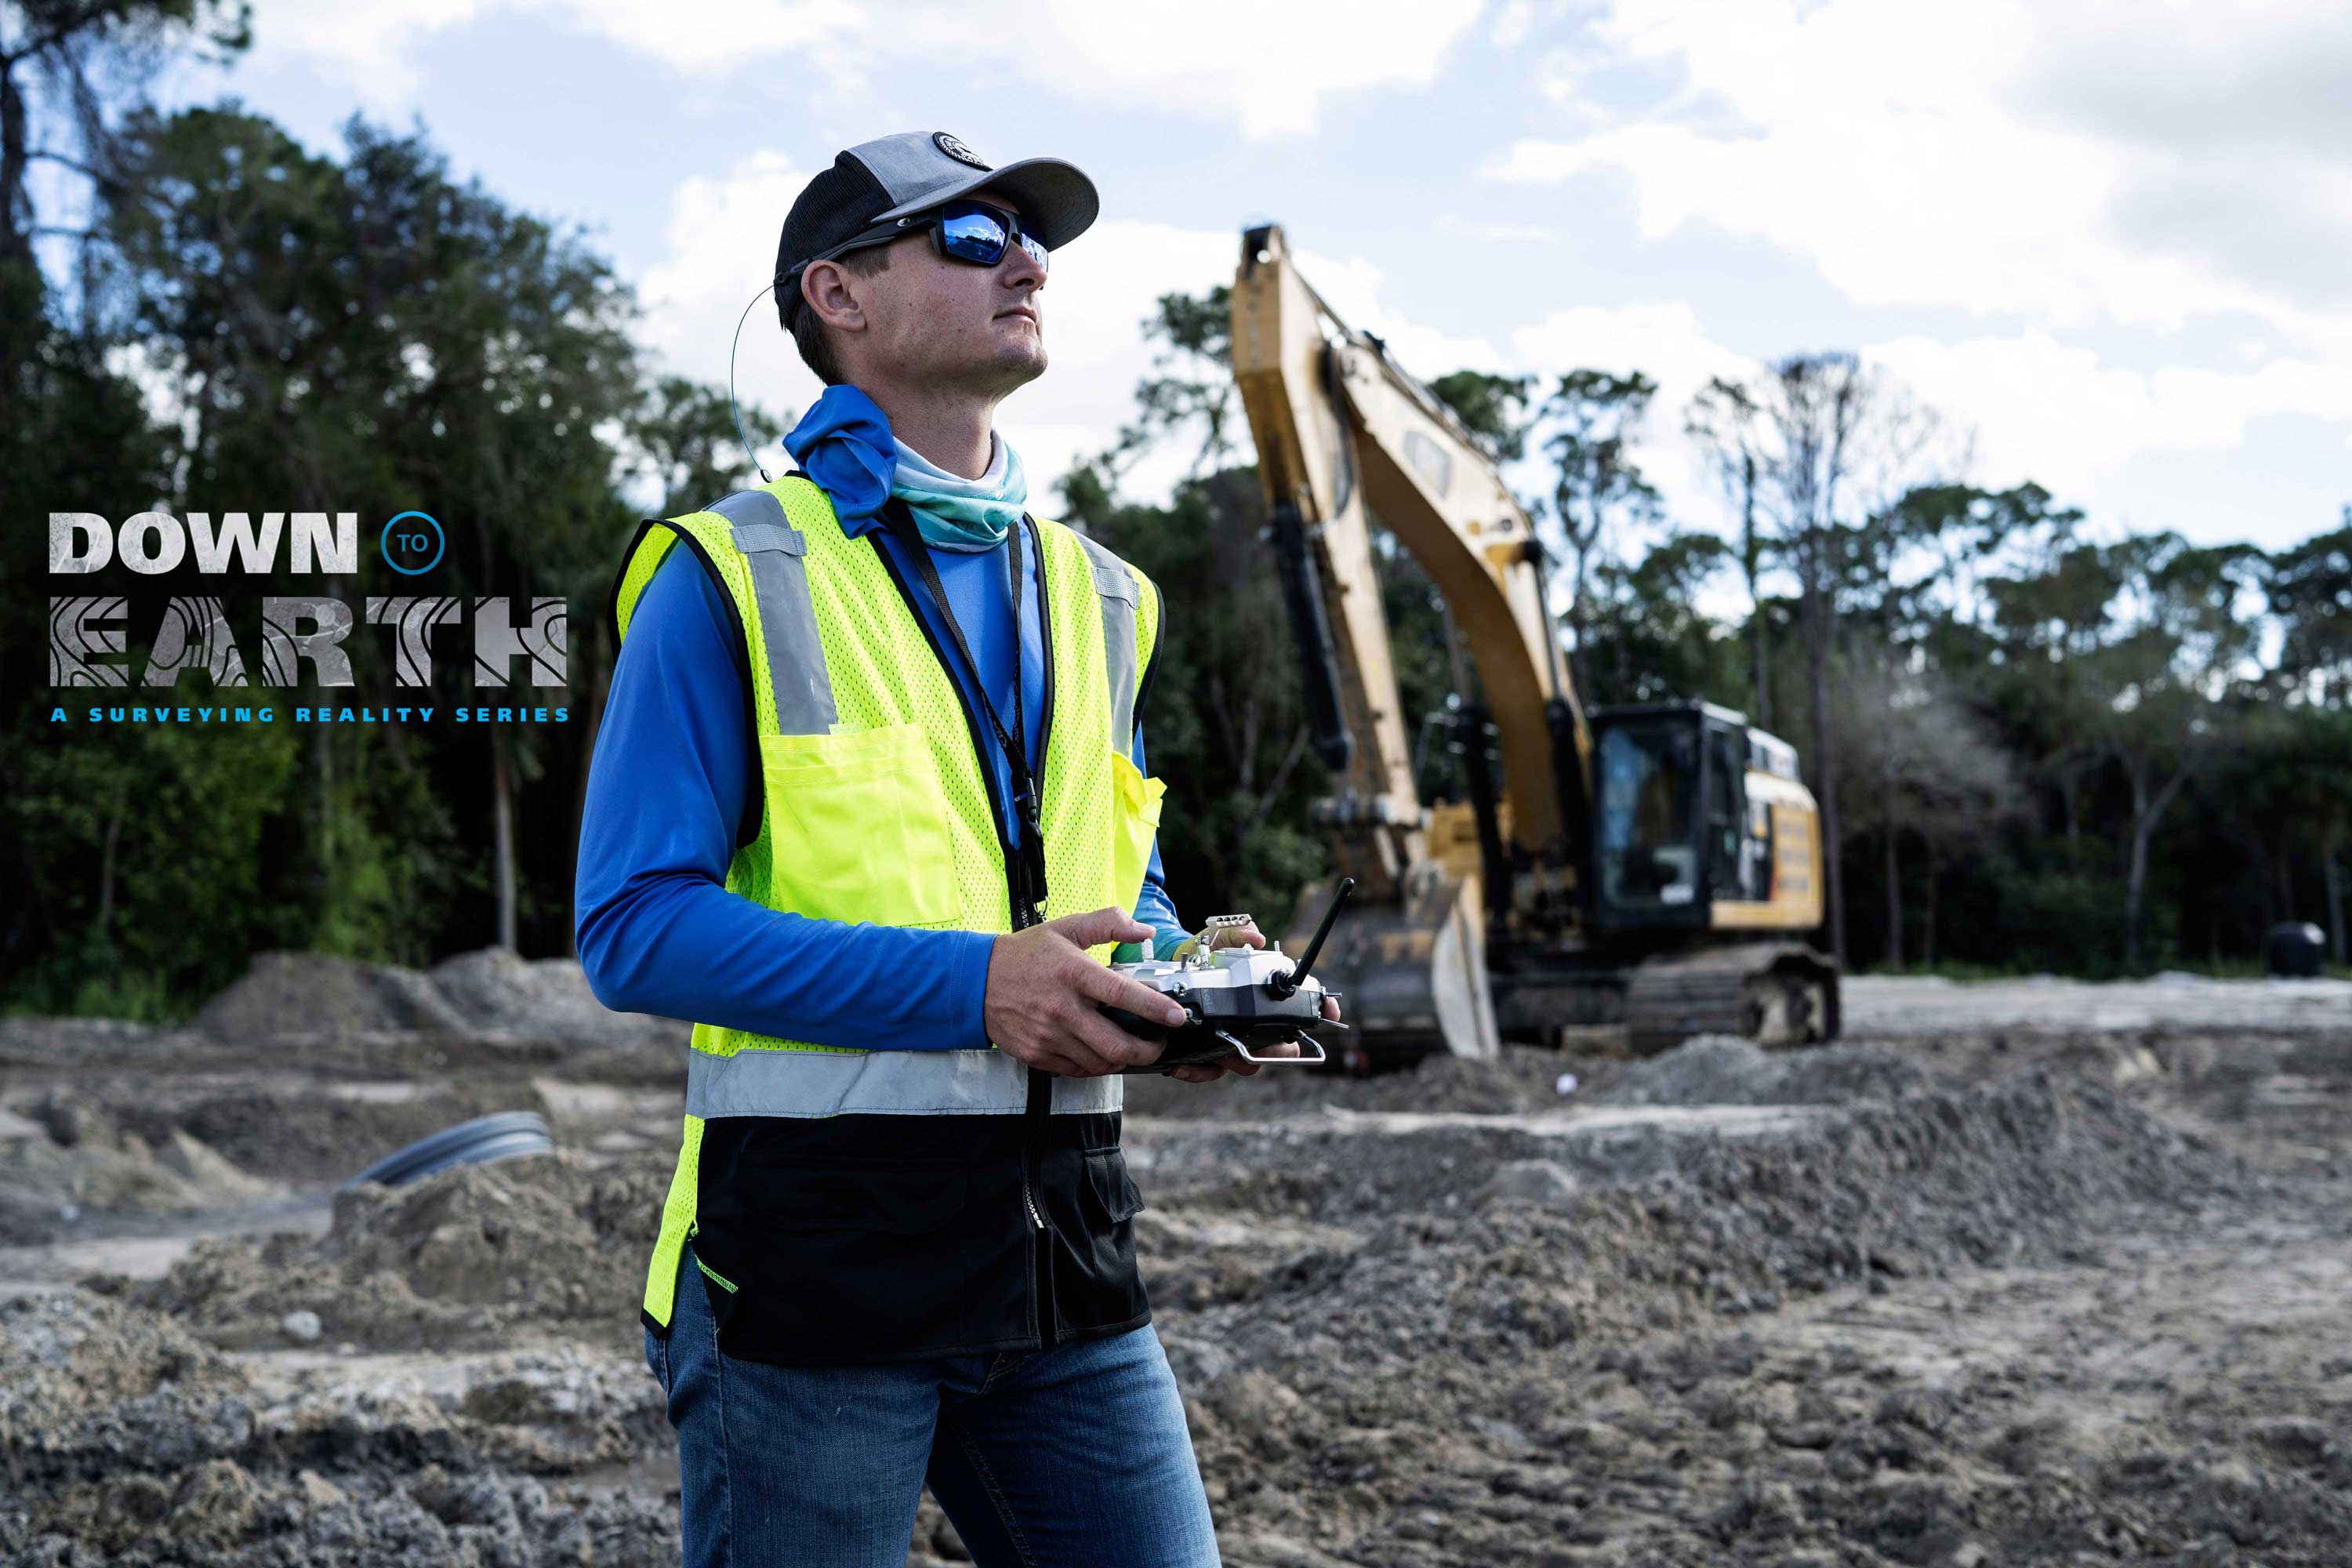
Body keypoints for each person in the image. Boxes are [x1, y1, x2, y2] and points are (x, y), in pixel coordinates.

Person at [573, 130, 1338, 1568]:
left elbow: (1097, 883)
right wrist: (978, 988)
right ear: (840, 297)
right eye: (971, 239)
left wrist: (1181, 975)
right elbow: (633, 928)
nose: (1030, 262)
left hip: (1067, 1272)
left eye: (1032, 239)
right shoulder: (727, 571)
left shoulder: (1105, 596)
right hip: (810, 1292)